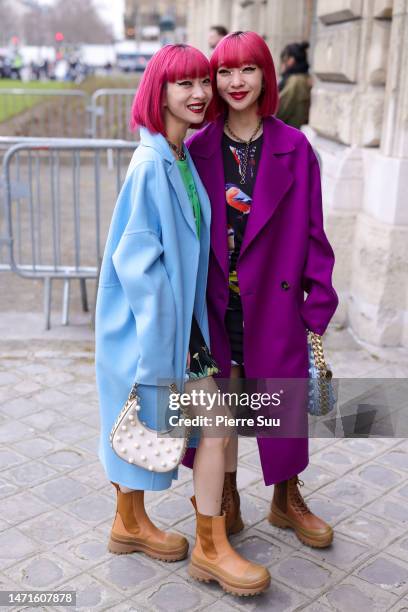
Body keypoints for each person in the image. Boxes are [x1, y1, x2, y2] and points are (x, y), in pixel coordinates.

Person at [95, 43, 270, 597]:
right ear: (159, 92)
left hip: (182, 321)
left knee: (166, 424)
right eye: (183, 84)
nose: (199, 94)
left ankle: (130, 523)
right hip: (156, 324)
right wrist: (159, 350)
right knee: (212, 425)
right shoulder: (153, 163)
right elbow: (139, 262)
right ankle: (210, 549)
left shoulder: (181, 156)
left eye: (202, 82)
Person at [182, 31, 338, 550]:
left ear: (266, 76)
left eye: (247, 70)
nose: (235, 82)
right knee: (222, 404)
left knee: (281, 398)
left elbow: (314, 230)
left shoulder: (294, 147)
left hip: (276, 296)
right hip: (217, 298)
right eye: (224, 71)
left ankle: (286, 497)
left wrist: (318, 301)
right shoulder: (197, 148)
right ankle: (226, 495)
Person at [277, 41, 312, 129]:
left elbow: (279, 111)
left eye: (283, 60)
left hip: (288, 135)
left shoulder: (295, 81)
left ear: (291, 61)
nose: (282, 65)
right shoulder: (305, 78)